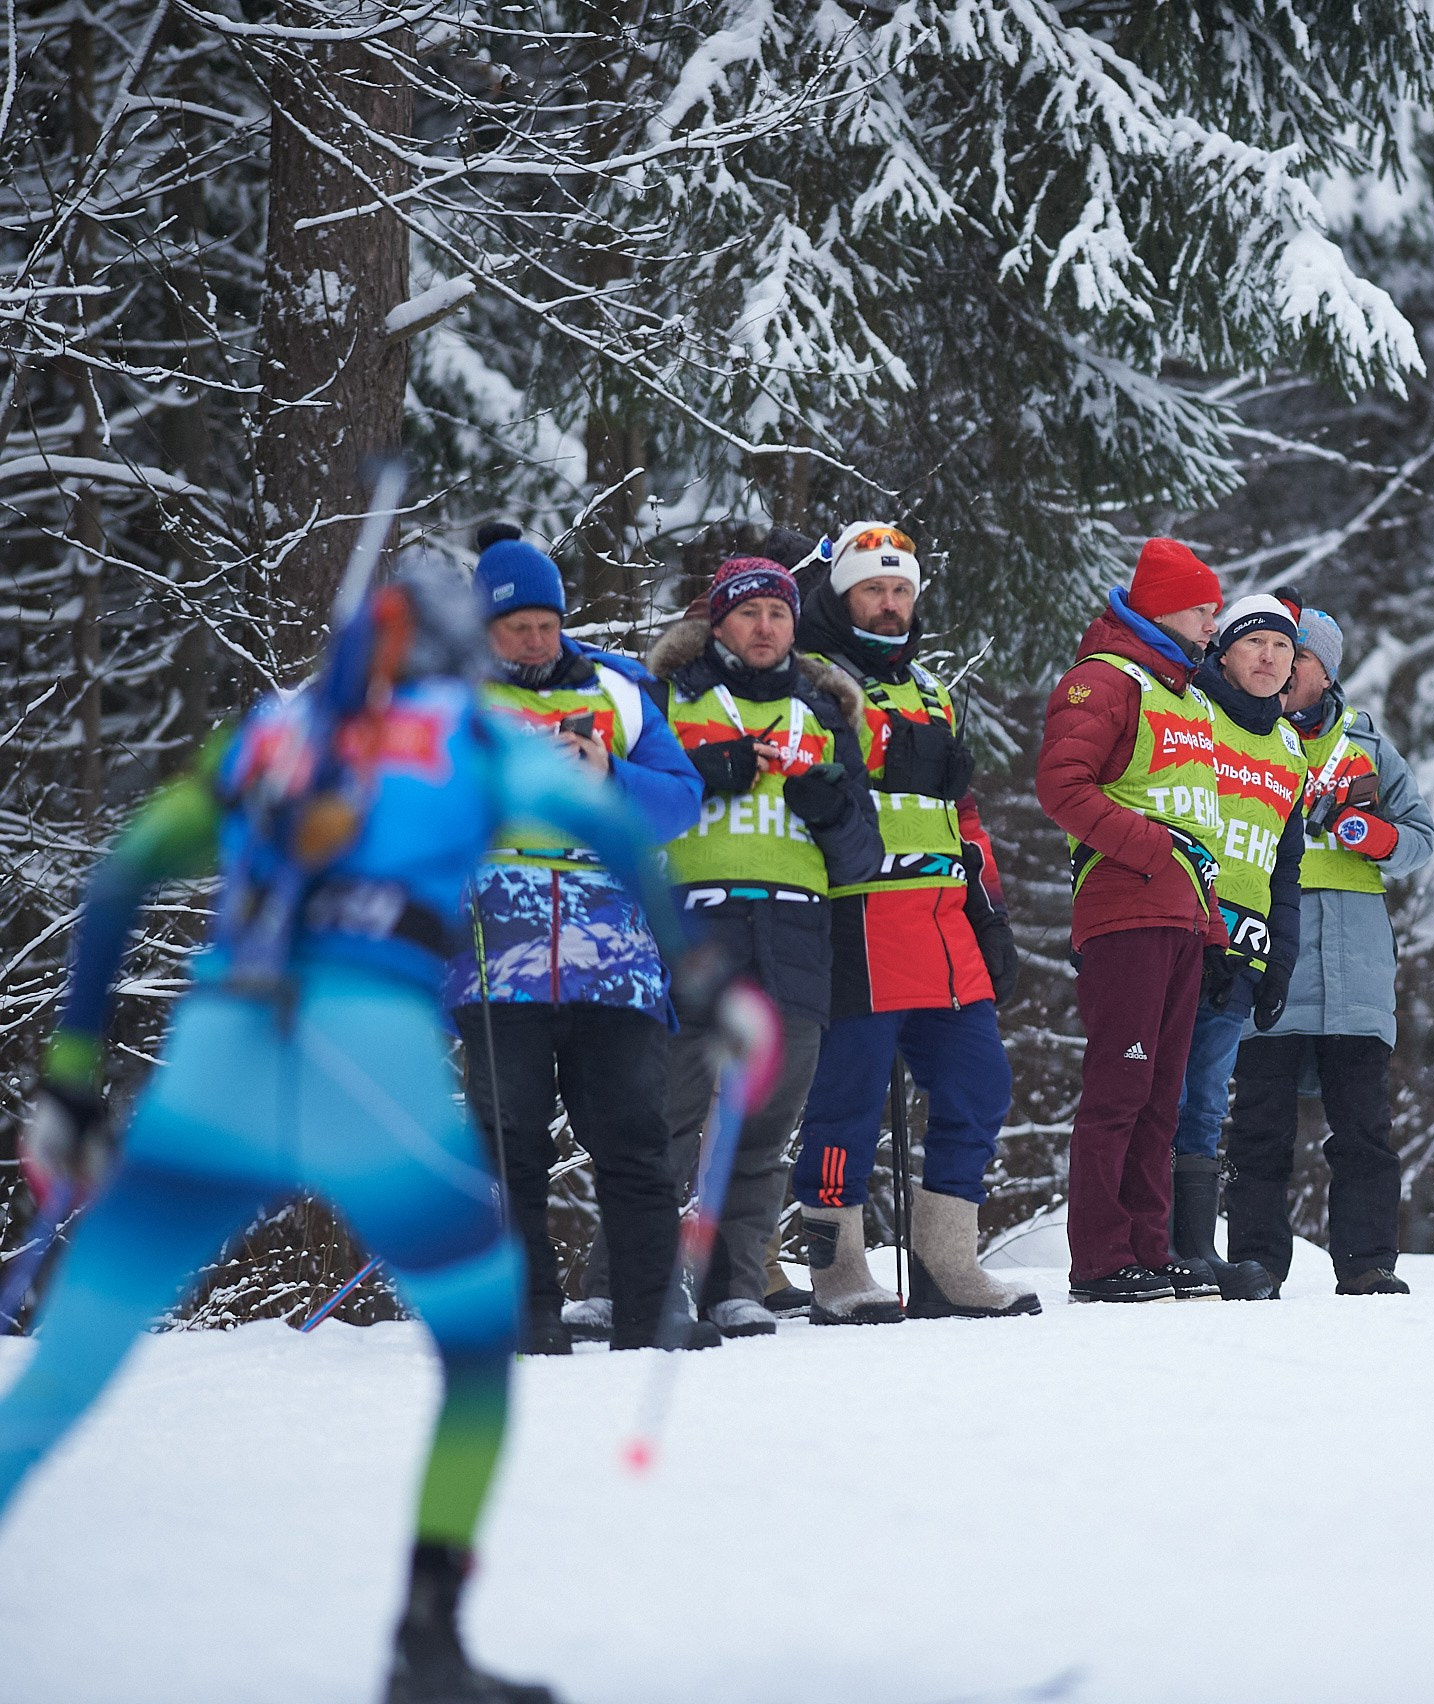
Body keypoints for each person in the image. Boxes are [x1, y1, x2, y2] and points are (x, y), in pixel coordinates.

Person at [4, 562, 749, 1704]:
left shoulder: (273, 732)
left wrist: (70, 1078)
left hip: (222, 1049)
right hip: (369, 1046)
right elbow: (616, 827)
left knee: (69, 1366)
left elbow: (121, 877)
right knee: (475, 1342)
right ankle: (428, 1641)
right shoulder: (471, 731)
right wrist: (700, 983)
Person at [445, 523, 714, 1355]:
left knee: (635, 1141)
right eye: (515, 626)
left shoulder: (620, 690)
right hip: (497, 960)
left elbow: (682, 799)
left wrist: (607, 774)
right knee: (509, 1148)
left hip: (615, 962)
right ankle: (526, 1317)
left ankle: (652, 1312)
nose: (534, 640)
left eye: (546, 623)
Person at [602, 555, 881, 1338]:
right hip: (694, 927)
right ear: (716, 622)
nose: (765, 628)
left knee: (762, 1127)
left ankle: (736, 1287)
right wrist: (701, 774)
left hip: (794, 934)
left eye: (779, 614)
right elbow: (621, 803)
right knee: (664, 1118)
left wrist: (831, 813)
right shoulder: (664, 700)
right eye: (748, 613)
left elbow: (863, 858)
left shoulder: (826, 712)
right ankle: (623, 1283)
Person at [773, 520, 1035, 1322]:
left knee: (980, 1085)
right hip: (857, 919)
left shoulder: (932, 692)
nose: (888, 605)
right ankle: (838, 1266)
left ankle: (946, 1260)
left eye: (899, 591)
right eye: (872, 590)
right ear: (839, 592)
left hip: (945, 923)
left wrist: (991, 915)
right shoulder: (810, 683)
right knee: (844, 1104)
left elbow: (963, 819)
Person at [1035, 537, 1230, 1302]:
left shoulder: (1185, 695)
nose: (1212, 624)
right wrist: (1152, 850)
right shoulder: (1104, 680)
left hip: (1181, 916)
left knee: (1163, 1093)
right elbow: (1063, 788)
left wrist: (1208, 920)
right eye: (1200, 609)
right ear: (1158, 608)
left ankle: (1151, 1248)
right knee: (1120, 1086)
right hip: (1125, 911)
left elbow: (1198, 824)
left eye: (1215, 609)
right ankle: (1100, 1259)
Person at [1224, 604, 1434, 1295]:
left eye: (1299, 657)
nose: (1283, 668)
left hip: (1357, 973)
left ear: (1325, 671)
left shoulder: (1369, 747)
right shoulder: (1240, 737)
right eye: (1274, 653)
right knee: (1259, 1133)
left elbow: (1421, 839)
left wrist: (1371, 836)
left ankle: (1368, 1264)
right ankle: (1256, 1262)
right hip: (1268, 965)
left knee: (1364, 1132)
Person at [1165, 593, 1309, 1301]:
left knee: (1205, 1101)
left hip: (1245, 952)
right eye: (1255, 643)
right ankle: (1141, 1240)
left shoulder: (1289, 747)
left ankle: (1193, 1249)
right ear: (1224, 652)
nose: (1269, 657)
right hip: (1181, 929)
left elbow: (1286, 866)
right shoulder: (1194, 712)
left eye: (1283, 649)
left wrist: (1282, 959)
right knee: (1153, 1087)